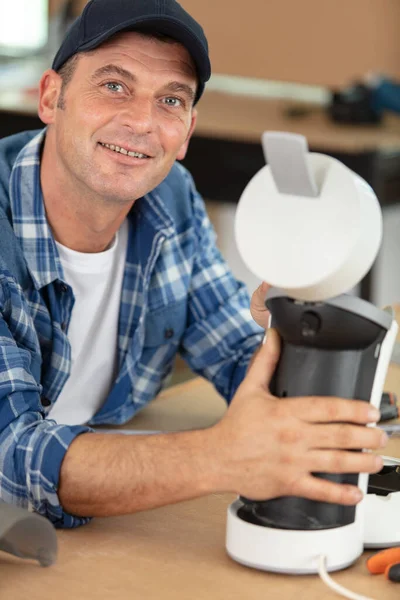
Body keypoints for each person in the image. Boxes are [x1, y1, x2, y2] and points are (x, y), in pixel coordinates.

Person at [0, 0, 385, 528]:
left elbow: (234, 353)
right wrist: (218, 456)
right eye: (113, 85)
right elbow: (12, 460)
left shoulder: (169, 201)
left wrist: (292, 329)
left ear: (186, 131)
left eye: (171, 100)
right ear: (51, 96)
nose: (142, 122)